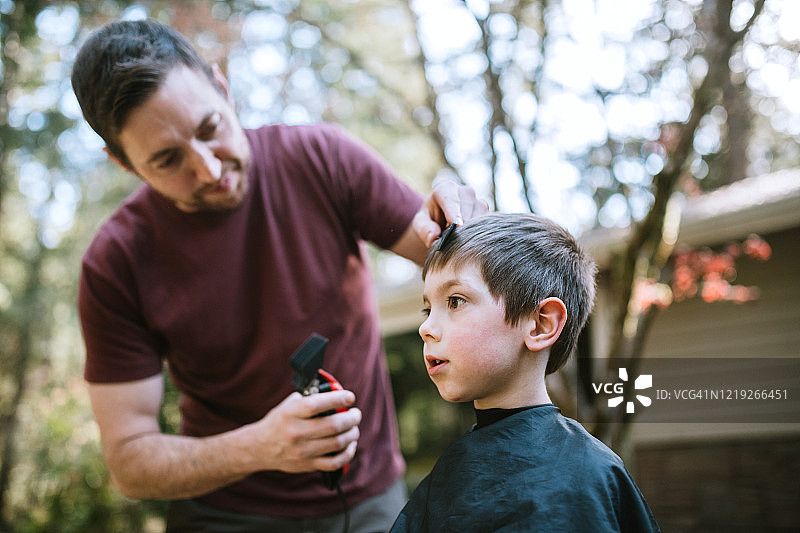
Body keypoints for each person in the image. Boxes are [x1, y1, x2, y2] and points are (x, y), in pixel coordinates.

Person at [71, 19, 487, 532]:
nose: (208, 169)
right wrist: (261, 447)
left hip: (371, 501)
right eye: (167, 160)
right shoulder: (115, 264)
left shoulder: (323, 159)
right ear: (122, 162)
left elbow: (457, 259)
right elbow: (130, 462)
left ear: (222, 87)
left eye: (210, 129)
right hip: (222, 514)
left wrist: (458, 210)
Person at [391, 213, 661, 532]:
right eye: (428, 309)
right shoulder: (445, 477)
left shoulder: (593, 474)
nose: (426, 328)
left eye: (455, 301)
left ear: (540, 324)